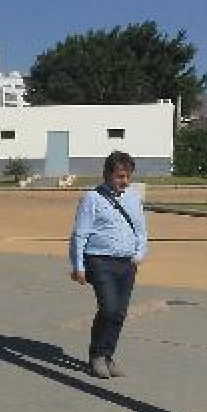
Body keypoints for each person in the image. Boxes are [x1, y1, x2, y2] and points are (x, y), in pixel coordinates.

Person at [69, 151, 148, 379]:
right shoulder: (92, 198)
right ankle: (96, 356)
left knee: (120, 313)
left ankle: (107, 355)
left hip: (127, 263)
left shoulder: (133, 198)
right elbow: (79, 235)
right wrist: (78, 266)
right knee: (109, 308)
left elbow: (141, 231)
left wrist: (139, 254)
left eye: (128, 176)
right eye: (120, 176)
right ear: (107, 175)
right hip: (99, 260)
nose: (125, 181)